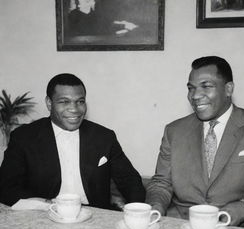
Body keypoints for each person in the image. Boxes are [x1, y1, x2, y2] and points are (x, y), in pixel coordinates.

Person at [0, 73, 145, 210]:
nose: (74, 109)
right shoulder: (24, 137)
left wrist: (136, 213)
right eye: (64, 102)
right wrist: (45, 204)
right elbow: (6, 187)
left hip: (95, 216)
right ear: (49, 103)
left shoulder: (104, 136)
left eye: (80, 102)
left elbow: (131, 181)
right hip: (46, 214)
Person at [146, 56, 244, 227]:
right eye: (191, 88)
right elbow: (161, 183)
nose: (195, 96)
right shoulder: (174, 131)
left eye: (206, 86)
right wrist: (156, 206)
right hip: (183, 227)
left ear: (228, 89)